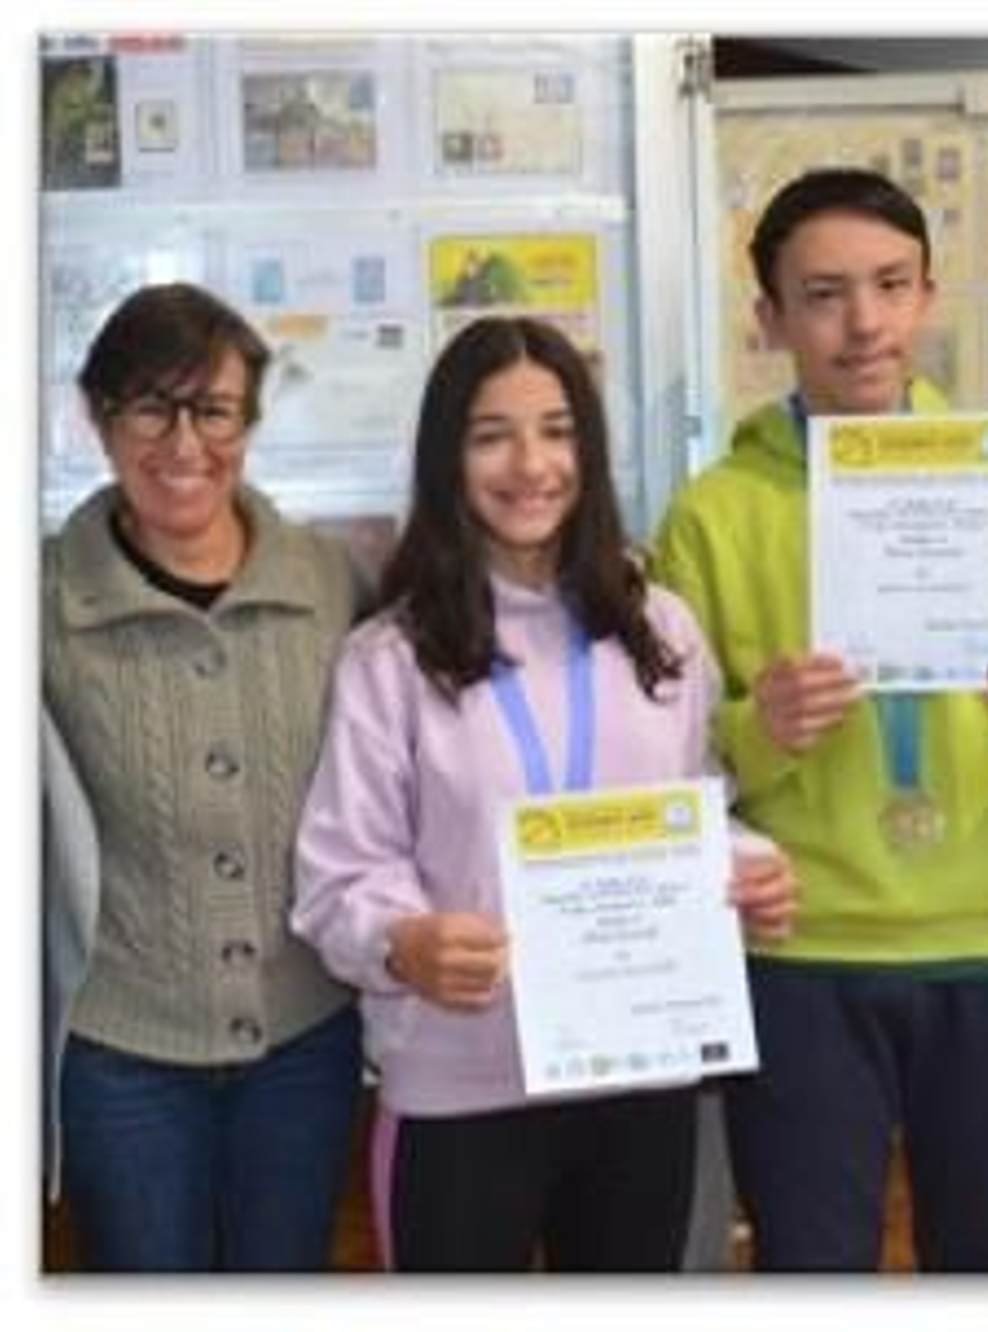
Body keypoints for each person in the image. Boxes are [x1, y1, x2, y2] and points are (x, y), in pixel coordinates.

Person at [651, 167, 988, 1271]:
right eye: (822, 294)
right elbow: (677, 756)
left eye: (889, 285)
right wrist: (760, 723)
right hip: (804, 947)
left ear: (925, 297)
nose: (862, 323)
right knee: (813, 1265)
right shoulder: (714, 514)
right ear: (768, 319)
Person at [290, 315, 797, 1273]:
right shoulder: (390, 658)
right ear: (449, 457)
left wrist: (751, 871)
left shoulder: (661, 629)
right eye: (492, 435)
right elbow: (342, 872)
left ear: (589, 450)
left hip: (640, 1072)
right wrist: (406, 941)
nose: (531, 464)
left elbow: (692, 811)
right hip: (461, 1085)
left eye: (558, 430)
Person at [41, 282, 365, 1270]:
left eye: (213, 410)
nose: (184, 444)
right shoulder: (42, 598)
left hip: (304, 1043)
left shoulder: (331, 581)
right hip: (122, 1055)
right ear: (99, 420)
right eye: (150, 406)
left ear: (249, 421)